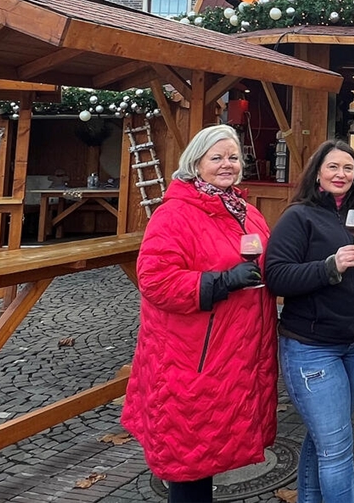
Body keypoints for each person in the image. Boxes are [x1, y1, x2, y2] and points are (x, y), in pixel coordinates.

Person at [122, 124, 277, 503]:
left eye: (234, 157)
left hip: (236, 357)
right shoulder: (174, 213)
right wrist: (220, 282)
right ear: (195, 163)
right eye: (217, 158)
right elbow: (155, 280)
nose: (228, 165)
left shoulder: (247, 212)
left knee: (206, 456)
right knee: (188, 461)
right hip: (192, 360)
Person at [264, 140, 354, 503]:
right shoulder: (298, 216)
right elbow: (276, 276)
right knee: (337, 447)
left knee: (326, 438)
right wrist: (328, 267)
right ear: (318, 172)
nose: (341, 174)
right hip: (312, 348)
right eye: (333, 167)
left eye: (348, 169)